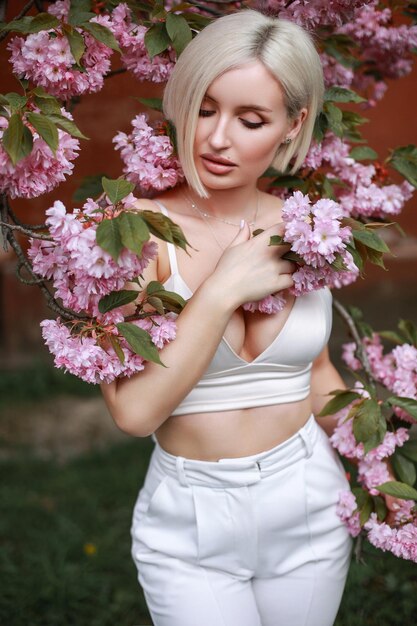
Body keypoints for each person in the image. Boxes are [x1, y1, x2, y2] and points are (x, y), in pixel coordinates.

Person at [101, 9, 353, 626]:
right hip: (191, 525)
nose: (216, 139)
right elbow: (135, 413)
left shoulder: (308, 224)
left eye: (250, 120)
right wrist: (219, 294)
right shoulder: (130, 232)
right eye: (205, 108)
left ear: (292, 125)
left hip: (311, 505)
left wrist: (376, 457)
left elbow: (316, 372)